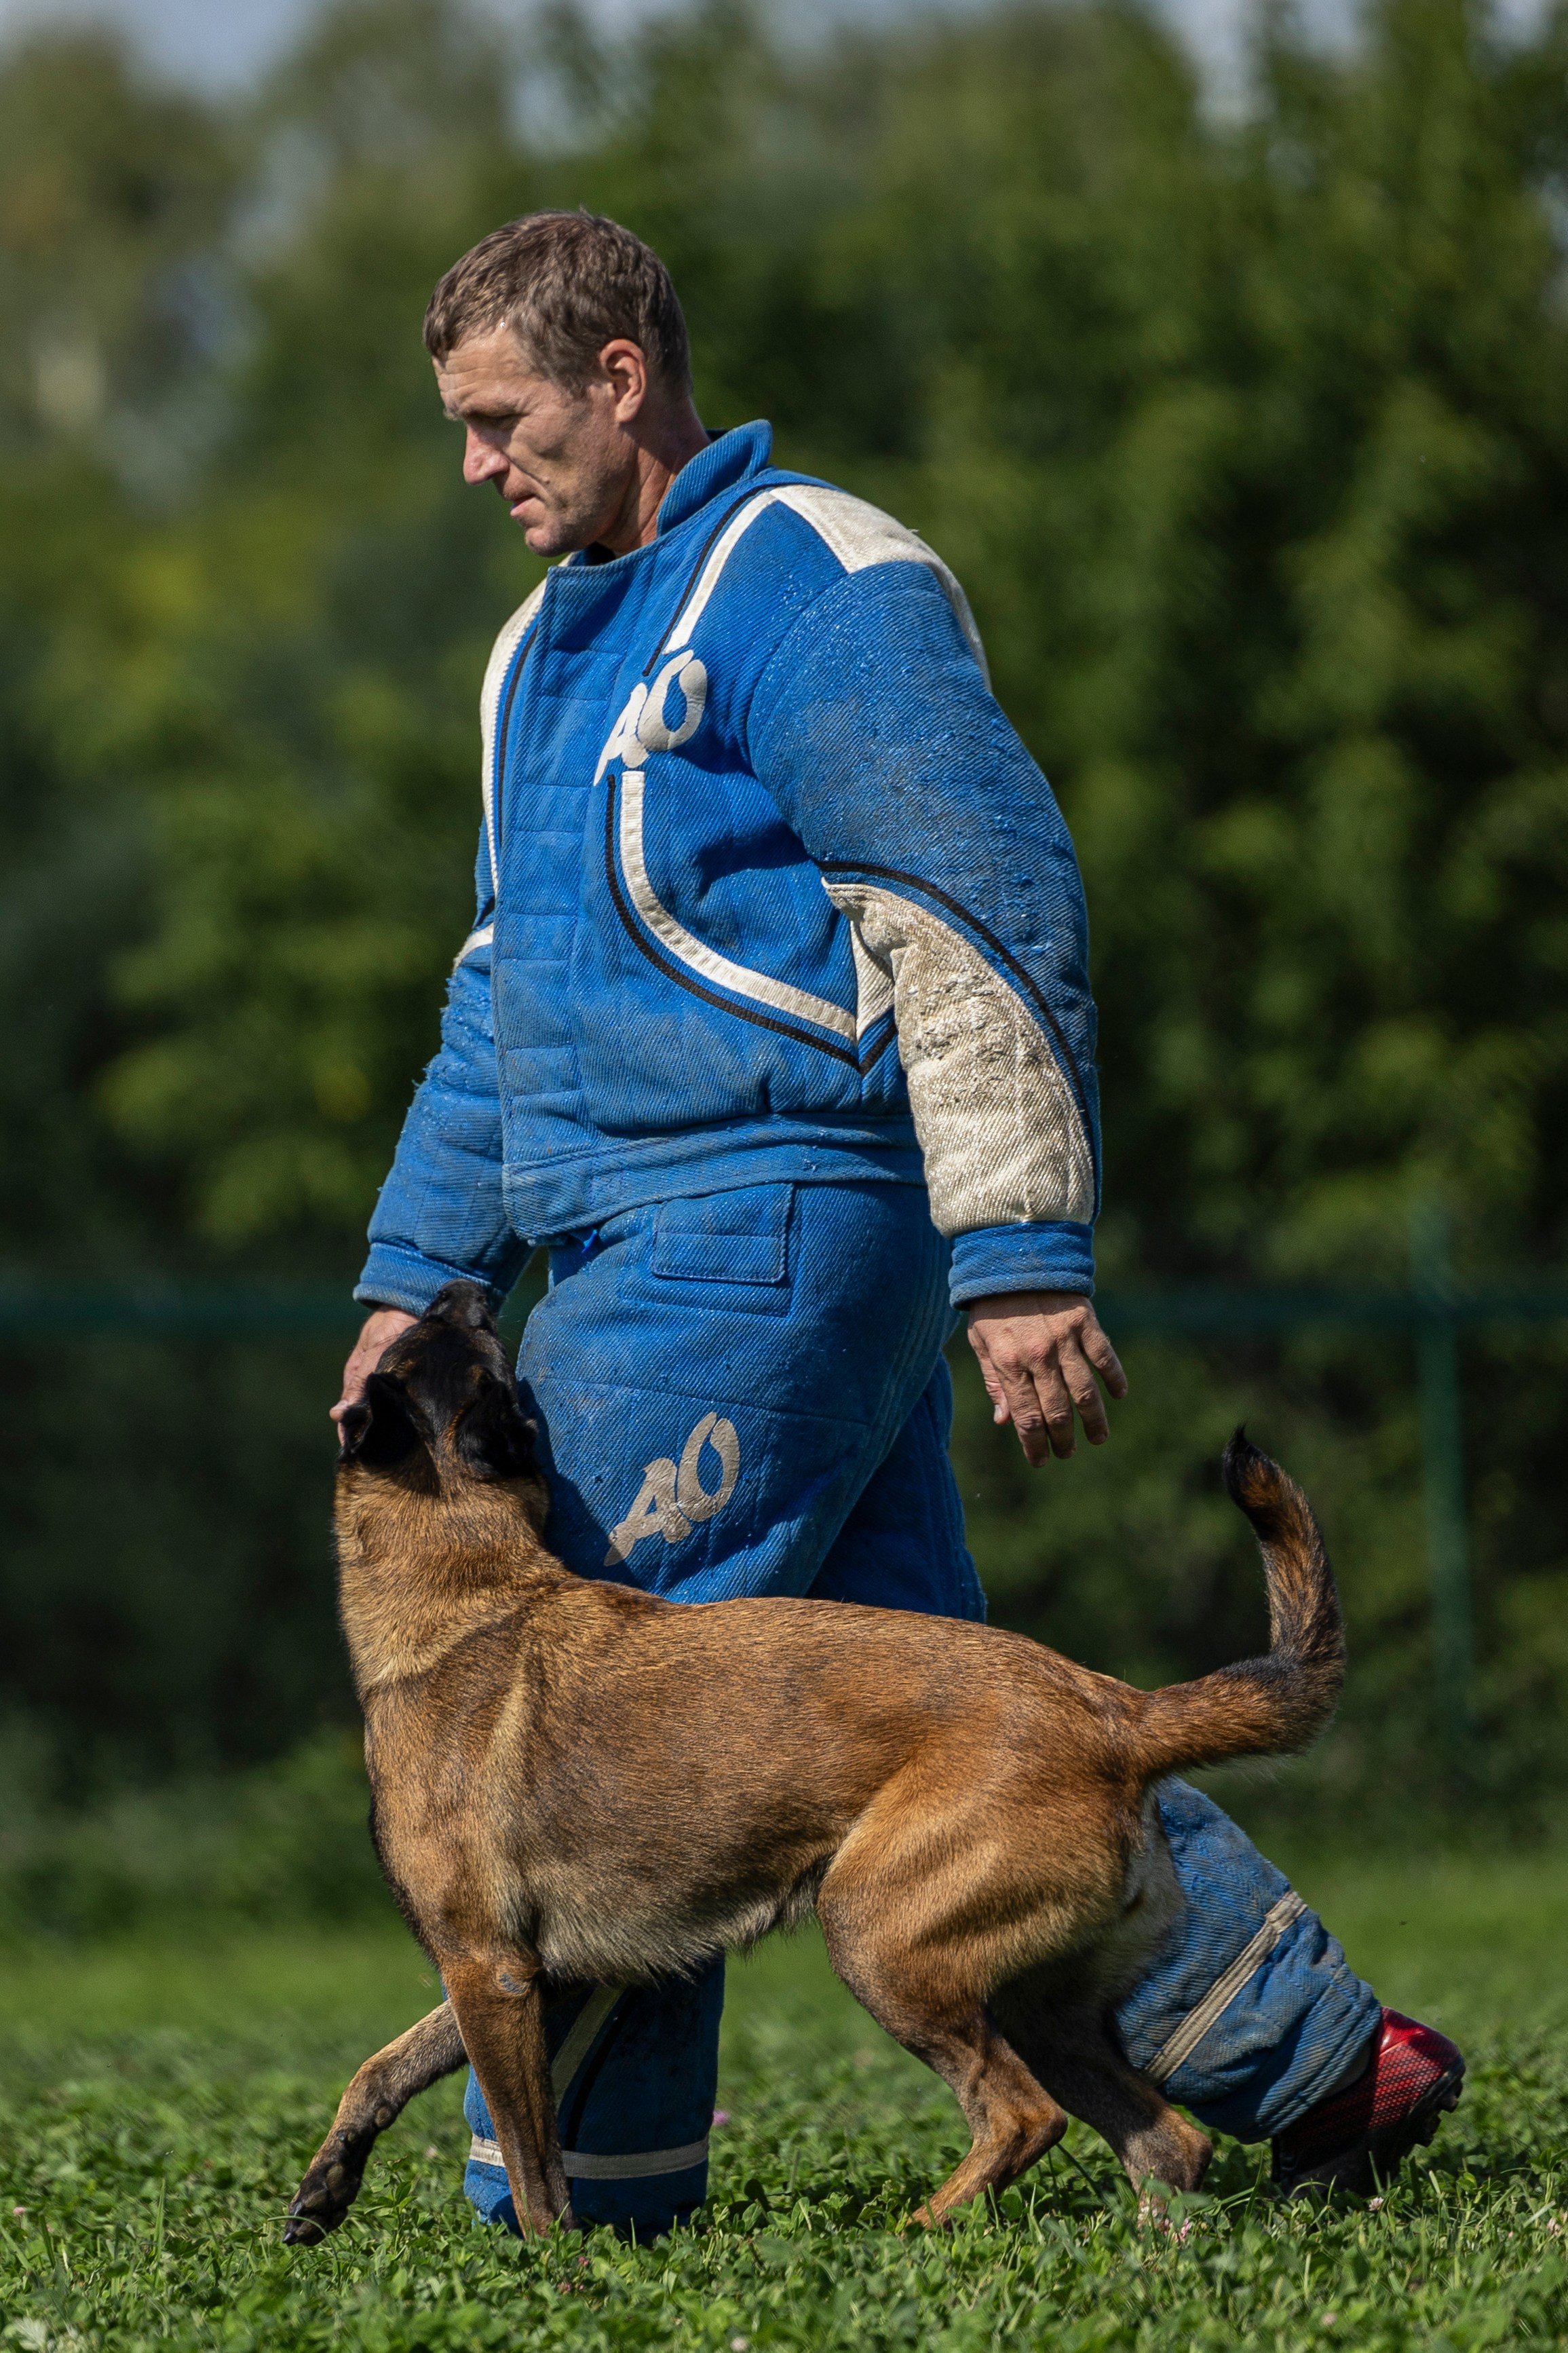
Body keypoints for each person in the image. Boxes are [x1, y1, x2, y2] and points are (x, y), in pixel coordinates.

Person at [332, 210, 1463, 2234]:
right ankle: (1320, 2056)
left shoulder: (815, 580)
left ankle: (574, 2217)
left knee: (599, 1751)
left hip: (748, 1238)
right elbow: (500, 993)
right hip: (647, 1237)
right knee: (982, 1727)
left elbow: (970, 893)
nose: (479, 466)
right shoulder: (540, 653)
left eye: (503, 421)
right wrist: (418, 1275)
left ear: (619, 375)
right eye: (458, 431)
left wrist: (1018, 1248)